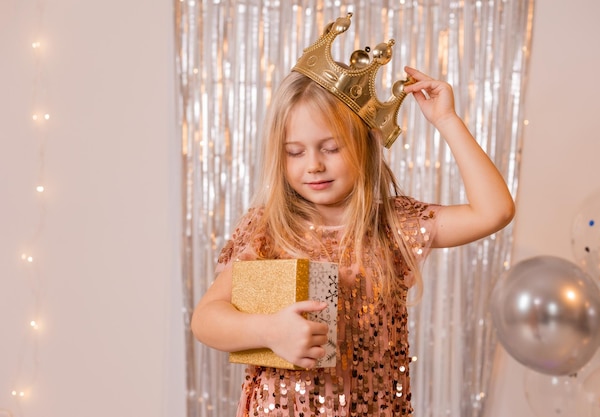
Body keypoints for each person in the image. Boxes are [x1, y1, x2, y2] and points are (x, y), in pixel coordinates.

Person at [191, 14, 515, 417]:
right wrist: (269, 330)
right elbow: (206, 319)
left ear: (365, 146)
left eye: (330, 148)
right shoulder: (268, 228)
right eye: (295, 152)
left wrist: (447, 121)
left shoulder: (394, 226)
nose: (313, 165)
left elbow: (495, 211)